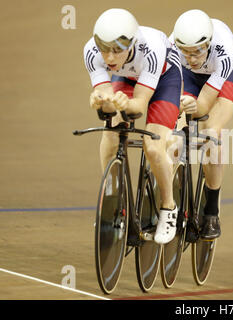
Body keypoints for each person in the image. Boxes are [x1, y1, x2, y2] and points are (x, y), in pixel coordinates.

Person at [83, 8, 182, 245]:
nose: (109, 58)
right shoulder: (90, 51)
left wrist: (125, 103)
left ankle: (169, 207)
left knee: (154, 146)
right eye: (104, 49)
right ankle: (112, 198)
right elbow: (106, 110)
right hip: (128, 78)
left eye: (117, 50)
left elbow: (138, 106)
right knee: (111, 133)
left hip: (164, 80)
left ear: (132, 44)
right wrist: (101, 102)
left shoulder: (151, 50)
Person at [170, 9, 233, 240]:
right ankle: (171, 201)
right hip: (188, 77)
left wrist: (192, 107)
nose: (192, 58)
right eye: (186, 52)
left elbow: (202, 107)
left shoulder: (225, 51)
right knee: (175, 136)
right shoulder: (170, 47)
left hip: (224, 78)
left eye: (197, 52)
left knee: (209, 135)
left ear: (209, 44)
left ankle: (211, 211)